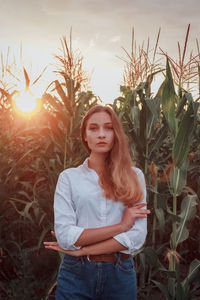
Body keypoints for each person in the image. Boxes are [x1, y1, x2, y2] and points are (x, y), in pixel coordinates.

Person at [44, 105, 150, 300]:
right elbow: (66, 236)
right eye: (93, 128)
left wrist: (83, 250)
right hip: (75, 275)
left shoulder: (134, 176)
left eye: (108, 128)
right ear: (84, 135)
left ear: (116, 133)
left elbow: (136, 237)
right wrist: (122, 225)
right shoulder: (69, 178)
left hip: (120, 275)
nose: (101, 134)